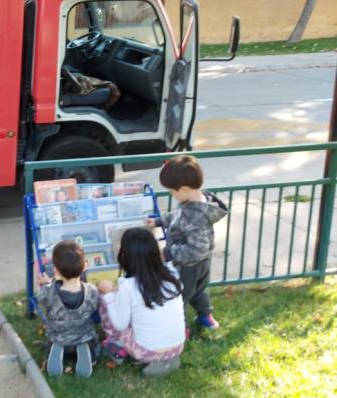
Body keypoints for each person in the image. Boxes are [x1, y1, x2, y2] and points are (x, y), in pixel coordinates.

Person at [150, 155, 228, 329]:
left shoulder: (197, 215)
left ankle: (179, 328)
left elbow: (196, 249)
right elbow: (178, 218)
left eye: (172, 191)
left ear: (184, 189)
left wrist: (169, 253)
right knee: (199, 291)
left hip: (189, 266)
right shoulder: (193, 203)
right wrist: (158, 221)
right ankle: (206, 317)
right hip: (200, 264)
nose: (171, 194)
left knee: (181, 295)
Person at [97, 227, 186, 377]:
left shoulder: (128, 286)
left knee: (108, 302)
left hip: (146, 351)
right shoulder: (171, 274)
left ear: (126, 256)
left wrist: (108, 295)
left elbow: (120, 324)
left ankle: (115, 345)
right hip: (177, 346)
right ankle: (167, 360)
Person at [37, 240, 100, 378]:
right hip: (84, 336)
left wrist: (46, 284)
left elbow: (41, 299)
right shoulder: (92, 291)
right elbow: (95, 307)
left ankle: (56, 348)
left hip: (58, 336)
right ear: (85, 266)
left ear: (56, 270)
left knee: (54, 340)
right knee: (92, 343)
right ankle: (86, 351)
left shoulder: (48, 291)